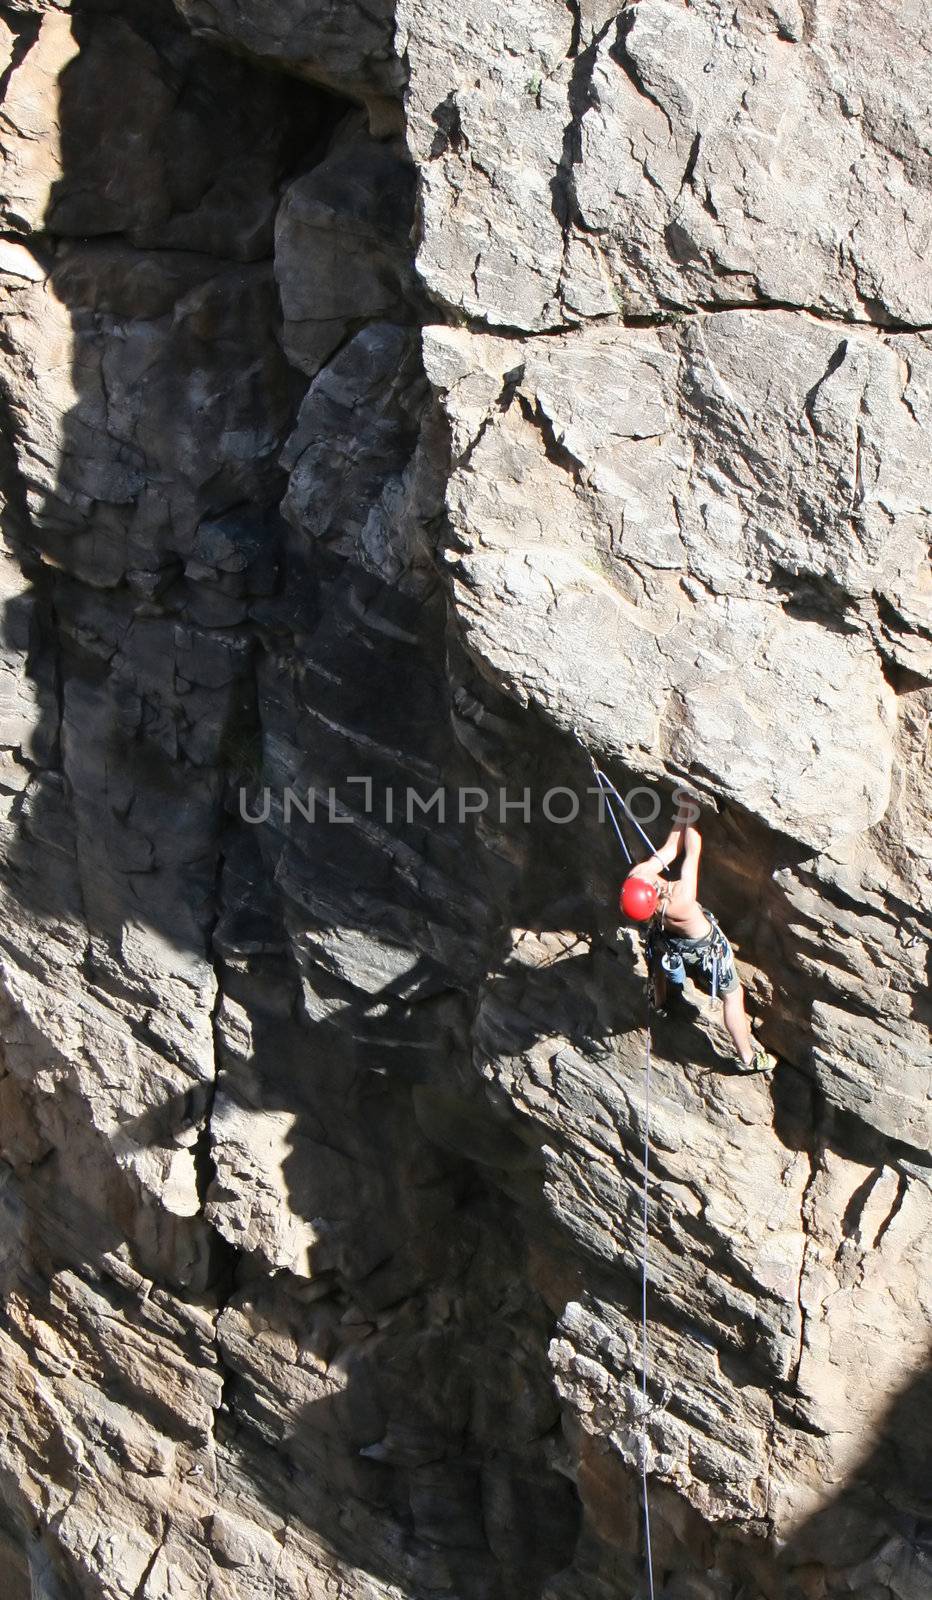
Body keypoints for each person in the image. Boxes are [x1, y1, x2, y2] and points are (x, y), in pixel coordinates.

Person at [621, 820, 775, 1075]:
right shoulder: (680, 898)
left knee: (656, 955)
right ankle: (748, 1058)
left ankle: (658, 1001)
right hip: (707, 950)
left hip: (667, 938)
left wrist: (682, 811)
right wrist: (691, 815)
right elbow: (692, 851)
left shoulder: (636, 877)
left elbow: (669, 849)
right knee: (733, 997)